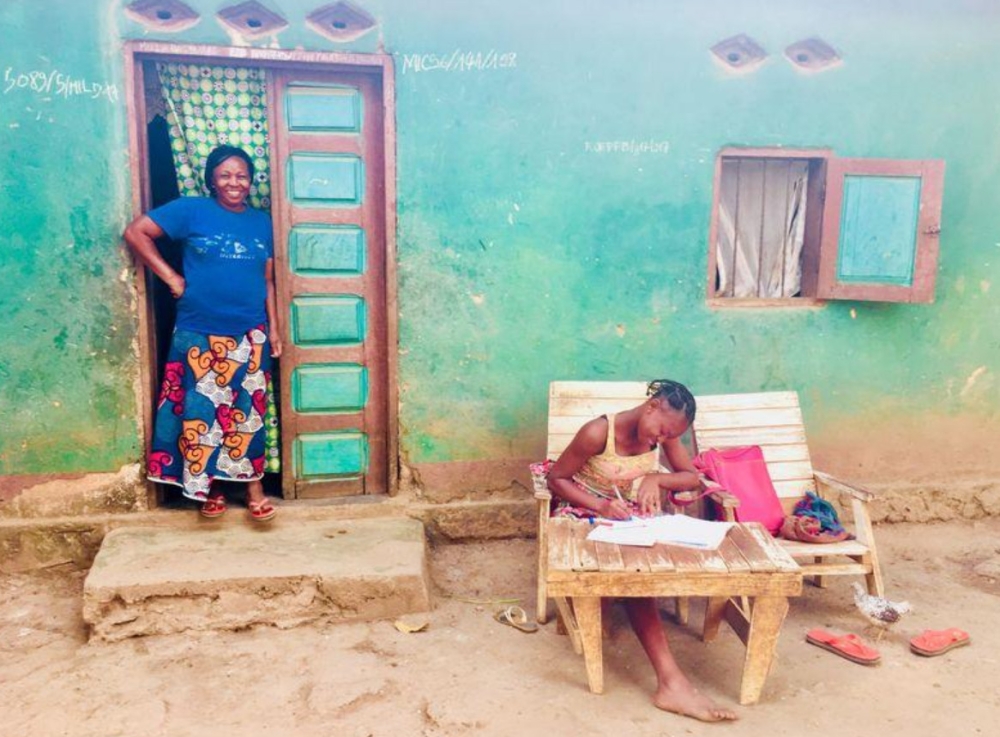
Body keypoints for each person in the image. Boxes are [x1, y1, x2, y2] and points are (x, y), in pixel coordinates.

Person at [545, 379, 738, 722]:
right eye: (661, 432)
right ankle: (671, 682)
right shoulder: (597, 433)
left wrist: (657, 479)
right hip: (584, 515)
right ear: (652, 407)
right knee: (636, 573)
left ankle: (671, 681)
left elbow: (691, 477)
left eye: (668, 437)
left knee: (650, 564)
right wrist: (600, 506)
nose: (661, 441)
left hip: (626, 519)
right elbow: (557, 479)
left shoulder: (666, 433)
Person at [123, 144, 282, 522]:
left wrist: (273, 328)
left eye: (242, 175)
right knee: (203, 411)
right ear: (212, 179)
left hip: (250, 332)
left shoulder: (261, 222)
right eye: (225, 175)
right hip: (199, 329)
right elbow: (136, 233)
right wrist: (172, 278)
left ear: (251, 180)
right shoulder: (191, 210)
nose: (234, 183)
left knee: (247, 412)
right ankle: (207, 485)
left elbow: (268, 280)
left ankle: (253, 486)